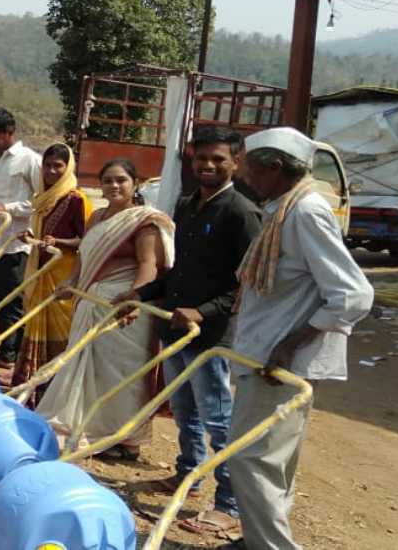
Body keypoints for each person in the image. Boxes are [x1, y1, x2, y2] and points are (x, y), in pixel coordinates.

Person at [226, 127, 372, 550]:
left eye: (251, 170)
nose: (246, 178)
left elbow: (353, 293)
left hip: (279, 362)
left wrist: (291, 344)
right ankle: (257, 539)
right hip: (264, 353)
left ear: (275, 167)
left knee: (251, 459)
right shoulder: (283, 208)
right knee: (272, 462)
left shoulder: (305, 211)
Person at [115, 127, 261, 536]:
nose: (208, 165)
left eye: (218, 159)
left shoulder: (241, 213)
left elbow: (246, 283)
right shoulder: (188, 205)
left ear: (236, 162)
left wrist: (202, 311)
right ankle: (188, 476)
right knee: (185, 411)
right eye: (201, 159)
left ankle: (229, 503)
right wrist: (140, 293)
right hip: (174, 328)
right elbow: (178, 271)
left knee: (218, 419)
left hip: (209, 337)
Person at [36, 159, 173, 460]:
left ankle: (126, 438)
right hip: (91, 302)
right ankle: (88, 427)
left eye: (121, 180)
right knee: (88, 369)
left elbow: (149, 265)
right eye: (108, 180)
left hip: (123, 309)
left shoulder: (145, 222)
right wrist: (71, 282)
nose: (114, 186)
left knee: (121, 374)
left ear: (135, 183)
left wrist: (134, 301)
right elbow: (84, 257)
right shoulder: (97, 217)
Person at [5, 144, 92, 403]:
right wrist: (31, 237)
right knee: (33, 323)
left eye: (58, 166)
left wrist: (58, 242)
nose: (52, 171)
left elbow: (86, 240)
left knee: (60, 334)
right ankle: (31, 386)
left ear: (69, 167)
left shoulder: (77, 200)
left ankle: (55, 393)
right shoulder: (42, 198)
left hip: (62, 276)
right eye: (48, 166)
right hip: (40, 270)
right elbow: (43, 235)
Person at [0, 108, 41, 364]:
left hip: (15, 245)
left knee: (13, 301)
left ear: (9, 132)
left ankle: (13, 355)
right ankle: (6, 350)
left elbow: (40, 201)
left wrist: (7, 208)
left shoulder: (29, 160)